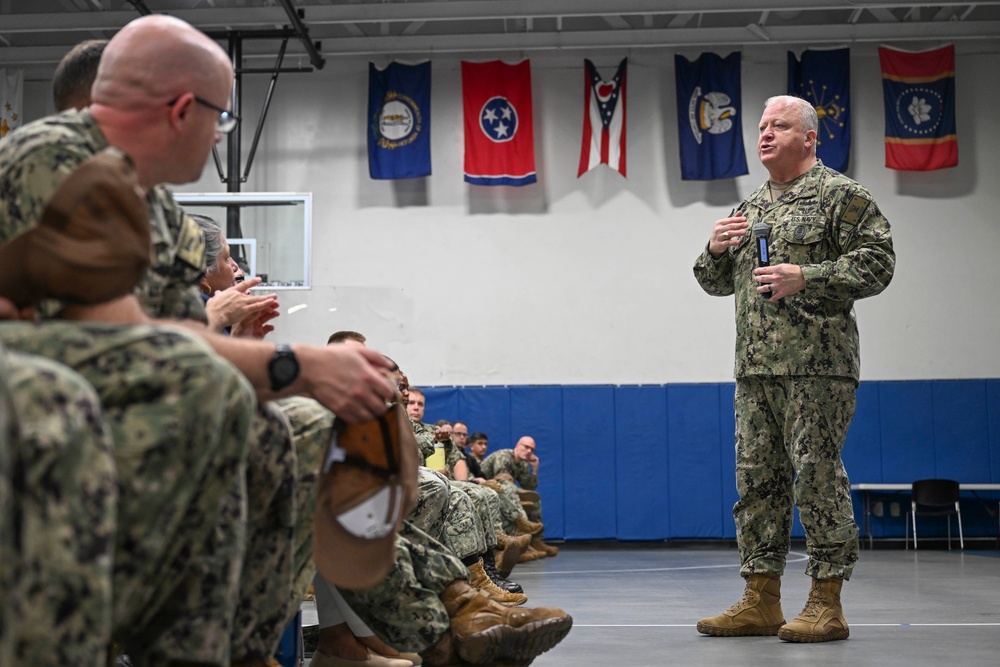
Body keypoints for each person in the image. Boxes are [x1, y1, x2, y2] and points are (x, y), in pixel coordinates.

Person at [0, 17, 394, 666]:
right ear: (184, 110)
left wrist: (279, 366)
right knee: (214, 394)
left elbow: (183, 332)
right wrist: (301, 362)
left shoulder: (148, 200)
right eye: (222, 120)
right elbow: (126, 341)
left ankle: (234, 653)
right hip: (44, 397)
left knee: (268, 429)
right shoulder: (57, 157)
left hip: (100, 394)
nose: (219, 135)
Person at [693, 94, 895, 643]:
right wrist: (713, 249)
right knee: (757, 483)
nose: (763, 134)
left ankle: (826, 602)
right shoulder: (750, 207)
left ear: (809, 137)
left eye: (778, 125)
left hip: (817, 367)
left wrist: (807, 275)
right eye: (761, 126)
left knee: (815, 476)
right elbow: (713, 281)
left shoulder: (841, 195)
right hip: (755, 370)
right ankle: (761, 600)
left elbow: (878, 263)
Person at [481, 436, 558, 558]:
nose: (529, 451)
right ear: (517, 445)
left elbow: (530, 486)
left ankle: (536, 540)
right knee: (509, 487)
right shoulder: (504, 456)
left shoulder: (522, 464)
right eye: (526, 447)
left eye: (532, 450)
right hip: (484, 490)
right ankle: (522, 529)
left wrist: (534, 469)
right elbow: (502, 479)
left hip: (503, 491)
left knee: (535, 499)